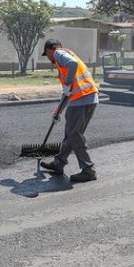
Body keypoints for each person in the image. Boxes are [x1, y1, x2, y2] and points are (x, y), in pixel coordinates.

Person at [39, 39, 100, 183]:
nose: (48, 57)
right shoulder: (67, 58)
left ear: (50, 50)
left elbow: (72, 66)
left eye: (47, 54)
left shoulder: (59, 53)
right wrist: (58, 111)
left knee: (74, 135)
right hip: (89, 98)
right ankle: (58, 164)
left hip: (81, 99)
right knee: (71, 135)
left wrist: (67, 81)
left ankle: (88, 170)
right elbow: (68, 91)